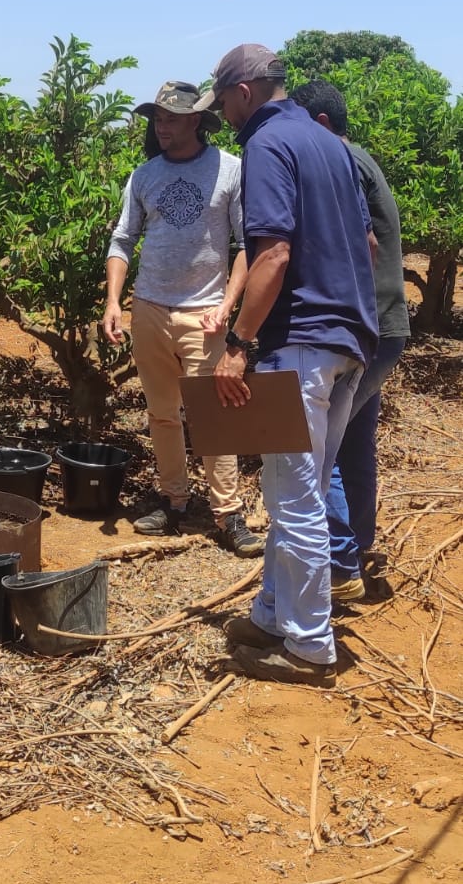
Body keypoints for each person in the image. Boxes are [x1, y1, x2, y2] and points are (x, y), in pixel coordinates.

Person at [193, 45, 378, 686]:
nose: (222, 114)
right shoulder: (331, 144)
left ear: (243, 91)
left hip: (302, 342)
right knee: (294, 489)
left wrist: (240, 346)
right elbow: (369, 241)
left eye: (221, 102)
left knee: (294, 497)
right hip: (351, 343)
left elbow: (271, 256)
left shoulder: (267, 146)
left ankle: (307, 644)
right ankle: (274, 614)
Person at [103, 80, 264, 557]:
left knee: (212, 416)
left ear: (196, 121)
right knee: (161, 414)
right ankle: (174, 500)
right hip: (149, 310)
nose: (163, 127)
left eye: (172, 118)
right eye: (158, 118)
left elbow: (244, 246)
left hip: (205, 314)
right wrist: (115, 302)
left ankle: (228, 514)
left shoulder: (230, 171)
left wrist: (227, 304)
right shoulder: (143, 175)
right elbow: (122, 240)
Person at [291, 79, 409, 595]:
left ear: (319, 125)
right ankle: (355, 544)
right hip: (382, 325)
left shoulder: (340, 161)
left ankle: (339, 564)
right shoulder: (360, 158)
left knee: (328, 447)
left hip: (363, 329)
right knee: (356, 443)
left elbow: (360, 245)